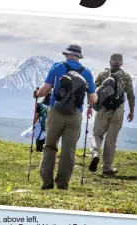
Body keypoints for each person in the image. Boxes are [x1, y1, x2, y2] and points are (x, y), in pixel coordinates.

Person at [33, 44, 98, 190]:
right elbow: (93, 99)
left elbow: (45, 90)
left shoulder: (57, 67)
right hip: (75, 115)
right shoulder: (86, 72)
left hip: (56, 111)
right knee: (68, 150)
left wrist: (36, 94)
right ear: (79, 57)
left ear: (67, 55)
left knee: (49, 146)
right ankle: (62, 184)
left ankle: (47, 182)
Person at [89, 53, 135, 175]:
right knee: (111, 139)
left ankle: (94, 153)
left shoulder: (103, 74)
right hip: (118, 110)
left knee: (97, 134)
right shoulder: (125, 77)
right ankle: (107, 167)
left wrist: (89, 107)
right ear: (121, 63)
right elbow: (130, 94)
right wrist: (132, 111)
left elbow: (93, 92)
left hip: (102, 109)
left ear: (110, 62)